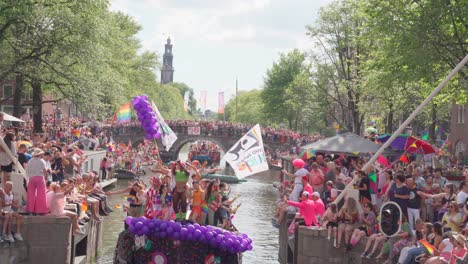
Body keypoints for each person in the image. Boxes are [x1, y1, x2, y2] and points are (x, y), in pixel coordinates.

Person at [25, 148, 49, 215]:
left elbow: (27, 171)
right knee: (41, 195)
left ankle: (30, 211)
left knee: (31, 195)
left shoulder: (30, 161)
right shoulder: (41, 161)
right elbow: (45, 171)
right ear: (40, 154)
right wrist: (47, 175)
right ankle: (39, 211)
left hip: (31, 179)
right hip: (40, 178)